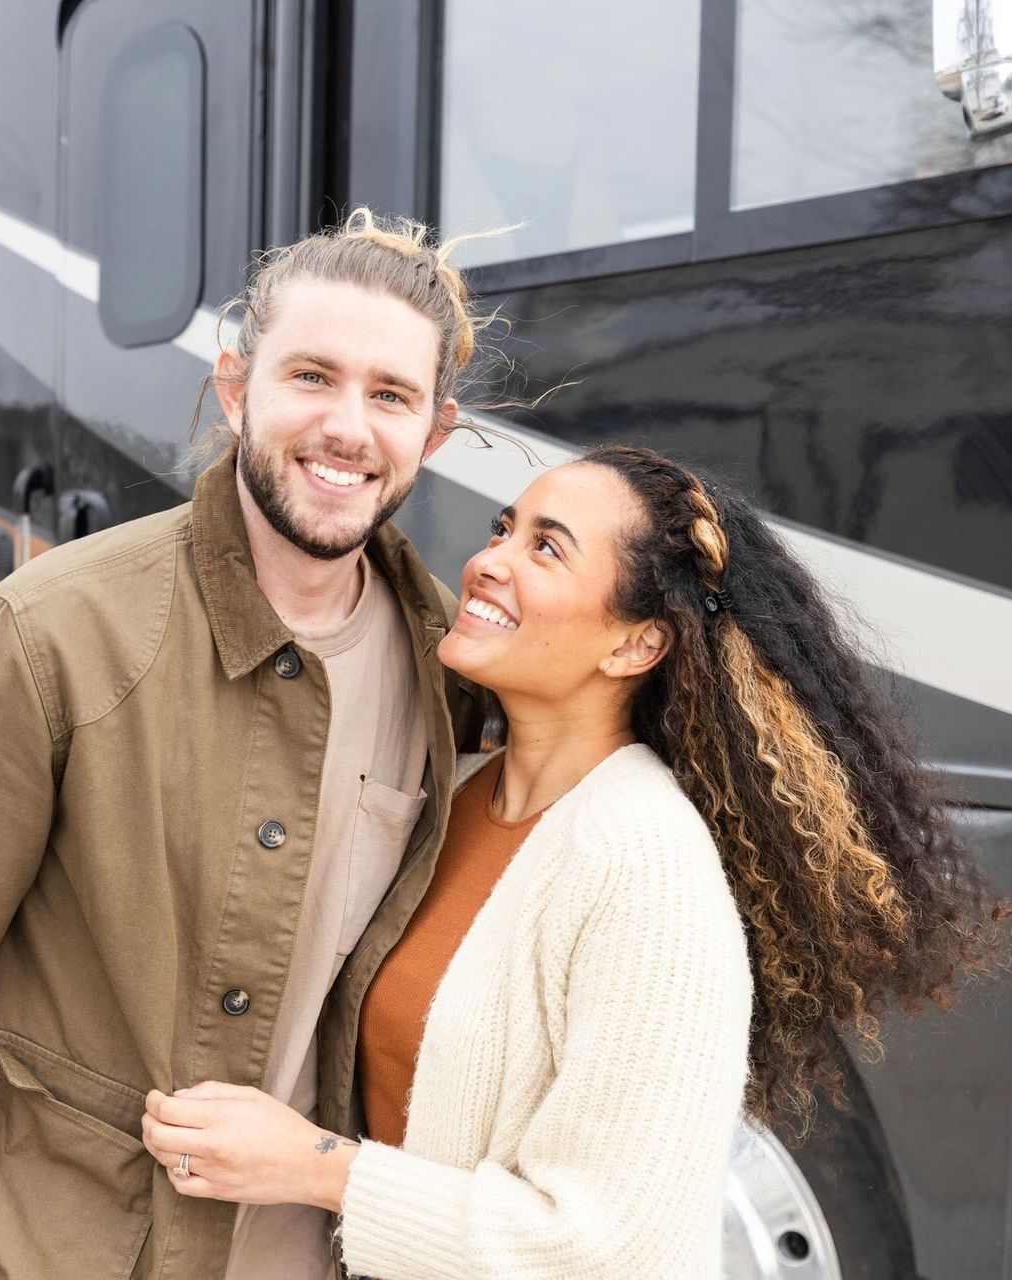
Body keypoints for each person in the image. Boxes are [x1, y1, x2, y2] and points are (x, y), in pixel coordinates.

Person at [141, 444, 1008, 1278]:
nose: (488, 562)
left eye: (545, 548)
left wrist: (312, 1166)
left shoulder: (644, 867)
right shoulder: (455, 793)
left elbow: (603, 1250)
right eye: (501, 528)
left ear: (634, 645)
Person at [0, 209, 491, 1280]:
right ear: (236, 389)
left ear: (433, 431)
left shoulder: (447, 665)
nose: (347, 428)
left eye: (389, 395)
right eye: (311, 376)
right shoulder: (36, 638)